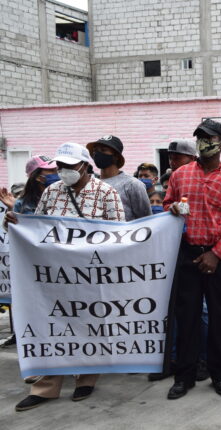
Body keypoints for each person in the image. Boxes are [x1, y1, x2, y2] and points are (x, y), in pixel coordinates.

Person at [10, 142, 125, 412]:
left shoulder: (106, 193)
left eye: (70, 166)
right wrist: (18, 224)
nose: (64, 171)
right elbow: (39, 228)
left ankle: (86, 378)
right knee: (53, 327)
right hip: (56, 276)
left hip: (91, 276)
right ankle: (46, 386)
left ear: (85, 165)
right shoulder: (51, 192)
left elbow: (120, 235)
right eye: (61, 166)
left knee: (88, 326)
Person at [164, 119, 221, 400]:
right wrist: (173, 207)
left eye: (209, 138)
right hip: (188, 254)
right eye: (199, 137)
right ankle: (184, 376)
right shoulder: (180, 175)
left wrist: (216, 254)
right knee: (186, 318)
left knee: (220, 319)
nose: (203, 142)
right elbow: (168, 204)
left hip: (220, 257)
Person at [0, 155, 58, 350]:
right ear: (36, 176)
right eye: (50, 171)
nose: (55, 174)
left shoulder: (62, 197)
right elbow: (15, 232)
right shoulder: (22, 203)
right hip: (33, 268)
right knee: (36, 313)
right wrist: (10, 222)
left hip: (59, 265)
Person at [87, 135, 151, 221]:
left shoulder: (132, 185)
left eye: (103, 150)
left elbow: (146, 220)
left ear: (116, 156)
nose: (97, 154)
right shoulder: (90, 184)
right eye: (95, 151)